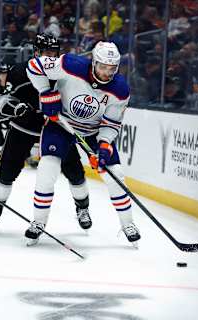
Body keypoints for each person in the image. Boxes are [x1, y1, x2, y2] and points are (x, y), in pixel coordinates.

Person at [25, 41, 140, 245]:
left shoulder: (120, 89)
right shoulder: (70, 64)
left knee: (115, 175)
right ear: (94, 62)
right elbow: (34, 66)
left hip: (93, 132)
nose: (107, 73)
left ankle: (127, 224)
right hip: (61, 123)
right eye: (103, 67)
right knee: (47, 169)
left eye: (112, 68)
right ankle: (38, 222)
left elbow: (111, 123)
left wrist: (104, 145)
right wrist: (45, 92)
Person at [0, 34, 91, 233]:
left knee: (74, 171)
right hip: (23, 127)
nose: (51, 56)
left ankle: (83, 208)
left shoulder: (66, 71)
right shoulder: (20, 71)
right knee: (6, 171)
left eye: (54, 52)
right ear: (36, 52)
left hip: (57, 128)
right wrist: (16, 108)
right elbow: (4, 101)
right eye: (46, 52)